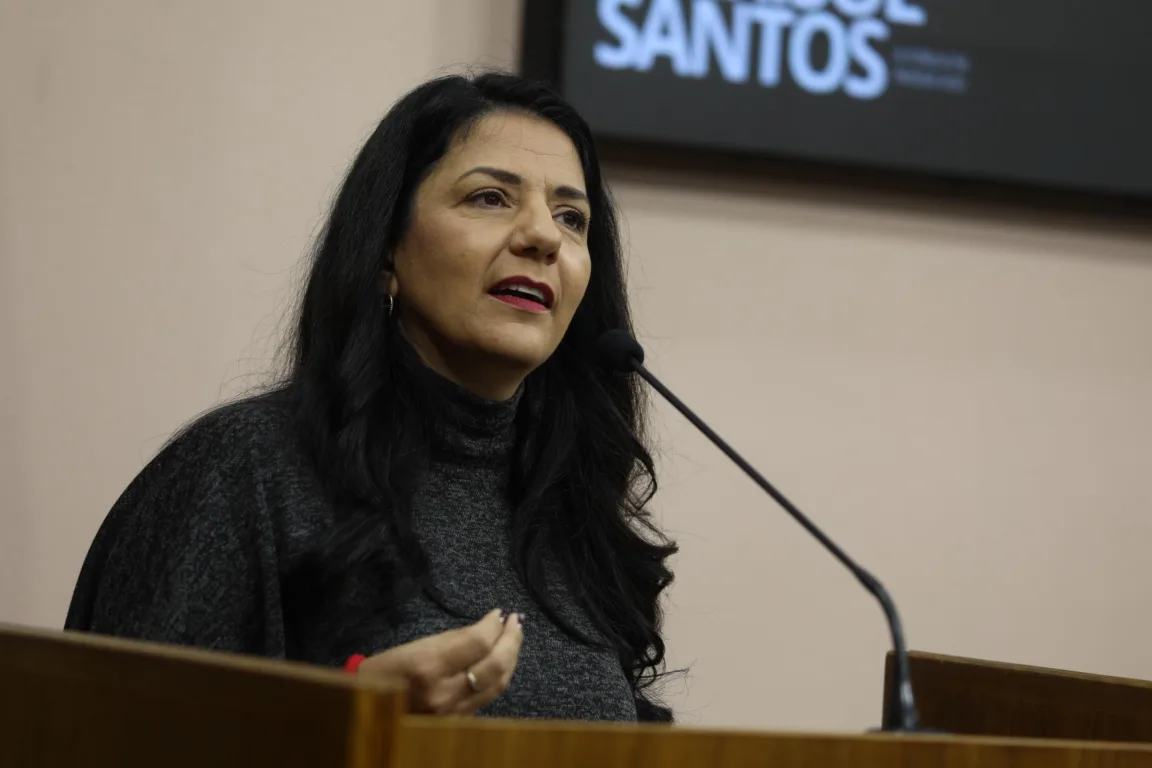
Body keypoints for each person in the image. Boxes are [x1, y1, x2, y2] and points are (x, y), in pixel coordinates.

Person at [64, 72, 678, 722]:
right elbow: (106, 733)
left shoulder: (575, 517)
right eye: (490, 197)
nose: (544, 237)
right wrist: (336, 719)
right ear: (386, 250)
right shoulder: (245, 469)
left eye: (571, 218)